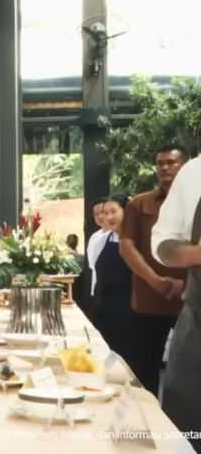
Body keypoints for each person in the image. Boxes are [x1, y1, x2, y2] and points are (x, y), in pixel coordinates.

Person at [119, 144, 188, 396]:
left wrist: (189, 286)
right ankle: (145, 428)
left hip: (191, 304)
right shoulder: (139, 204)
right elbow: (126, 247)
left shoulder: (196, 204)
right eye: (160, 163)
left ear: (187, 166)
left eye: (172, 162)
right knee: (143, 372)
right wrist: (155, 280)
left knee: (190, 374)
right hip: (149, 303)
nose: (165, 167)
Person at [151, 154, 201, 450]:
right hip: (197, 327)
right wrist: (195, 255)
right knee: (186, 434)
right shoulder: (194, 172)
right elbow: (163, 243)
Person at [93, 195, 135, 364]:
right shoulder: (102, 239)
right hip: (105, 311)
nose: (108, 217)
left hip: (130, 313)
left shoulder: (136, 240)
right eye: (105, 213)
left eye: (113, 212)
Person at [85, 197, 111, 317]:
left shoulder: (115, 235)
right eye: (96, 214)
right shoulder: (94, 236)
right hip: (96, 287)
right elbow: (91, 263)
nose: (100, 217)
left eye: (103, 213)